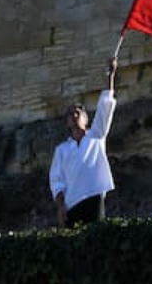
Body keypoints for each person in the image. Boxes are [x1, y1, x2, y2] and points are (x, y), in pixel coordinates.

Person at [49, 58, 118, 227]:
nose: (74, 115)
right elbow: (57, 181)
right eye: (70, 114)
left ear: (86, 119)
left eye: (78, 113)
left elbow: (104, 108)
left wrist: (110, 76)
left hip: (94, 196)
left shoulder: (96, 135)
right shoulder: (61, 150)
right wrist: (60, 207)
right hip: (71, 204)